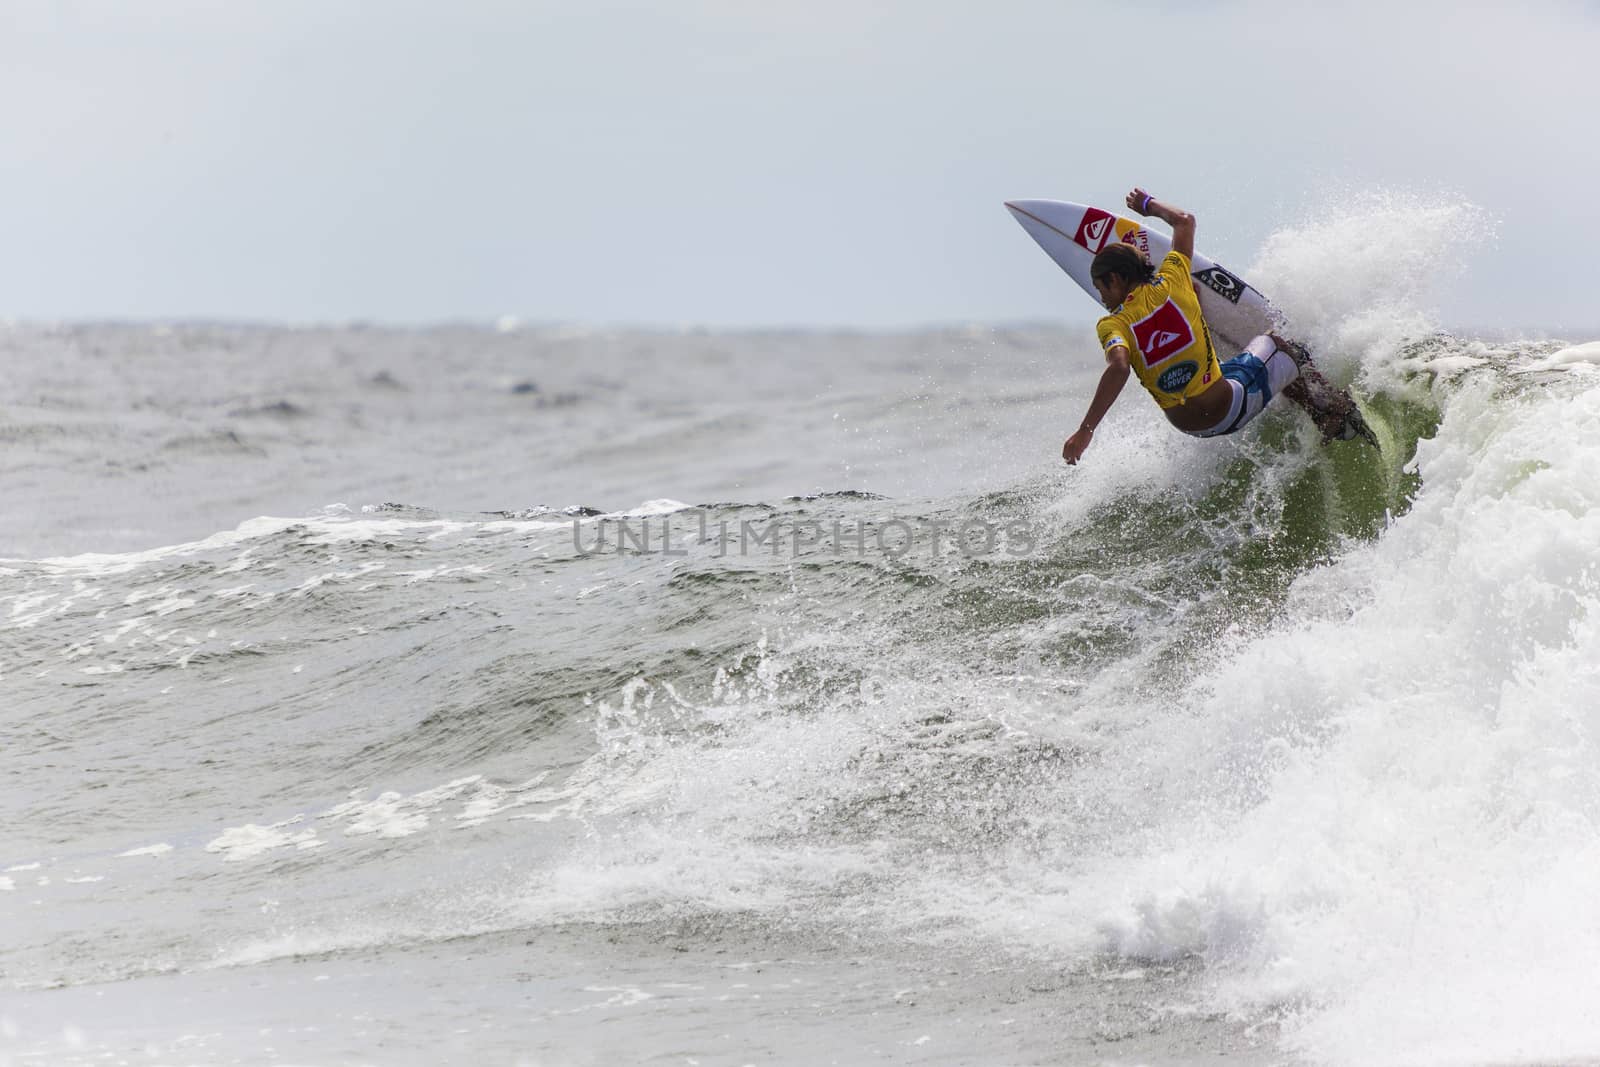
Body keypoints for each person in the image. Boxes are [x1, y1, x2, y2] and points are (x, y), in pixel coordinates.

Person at [1061, 187, 1373, 465]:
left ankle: (1316, 409)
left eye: (1101, 289)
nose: (1102, 298)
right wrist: (1146, 203)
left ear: (1115, 279)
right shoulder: (1175, 278)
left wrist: (1086, 429)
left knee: (1236, 364)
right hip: (1229, 407)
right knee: (1281, 342)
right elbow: (1184, 220)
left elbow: (1118, 367)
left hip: (1191, 427)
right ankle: (1329, 410)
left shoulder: (1111, 324)